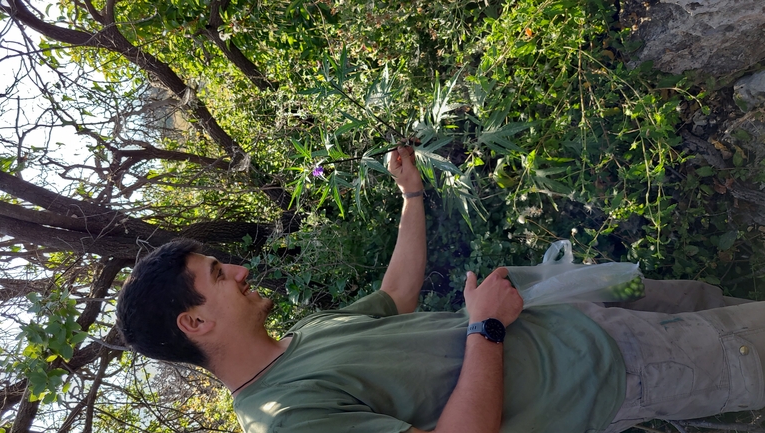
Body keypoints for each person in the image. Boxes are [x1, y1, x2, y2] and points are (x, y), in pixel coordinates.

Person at [116, 146, 765, 433]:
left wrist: (411, 193)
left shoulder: (303, 337)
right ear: (195, 323)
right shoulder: (287, 419)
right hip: (611, 372)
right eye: (217, 275)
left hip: (584, 323)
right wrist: (486, 327)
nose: (241, 271)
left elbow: (397, 293)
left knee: (717, 303)